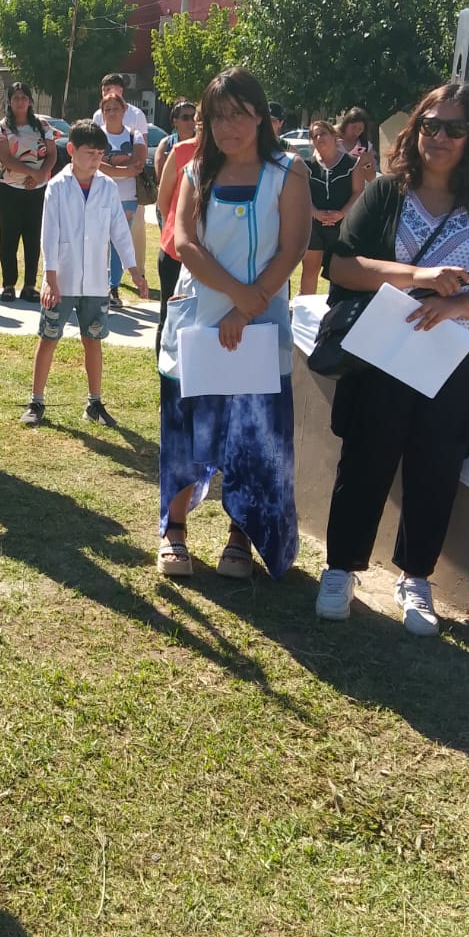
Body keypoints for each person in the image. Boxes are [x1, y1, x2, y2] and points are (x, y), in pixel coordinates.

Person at [315, 81, 469, 635]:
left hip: (454, 365)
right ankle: (340, 569)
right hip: (383, 355)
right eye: (430, 125)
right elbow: (340, 265)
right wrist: (417, 276)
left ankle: (415, 577)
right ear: (415, 131)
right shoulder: (386, 194)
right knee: (364, 460)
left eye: (454, 128)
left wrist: (456, 304)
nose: (439, 136)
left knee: (436, 468)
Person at [158, 68, 311, 580]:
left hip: (260, 327)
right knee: (185, 429)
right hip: (198, 322)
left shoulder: (289, 171)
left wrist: (246, 308)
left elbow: (292, 247)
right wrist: (236, 299)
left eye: (239, 115)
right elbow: (184, 242)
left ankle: (240, 535)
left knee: (254, 434)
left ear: (261, 116)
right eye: (218, 117)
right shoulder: (196, 171)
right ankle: (174, 530)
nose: (229, 127)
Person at [19, 120, 148, 430]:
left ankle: (94, 402)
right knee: (49, 337)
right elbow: (49, 234)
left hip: (95, 282)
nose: (96, 159)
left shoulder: (107, 187)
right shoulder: (57, 187)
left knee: (93, 339)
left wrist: (134, 270)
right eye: (90, 153)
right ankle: (36, 401)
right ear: (72, 150)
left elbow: (119, 230)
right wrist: (50, 278)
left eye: (100, 154)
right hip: (61, 279)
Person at [0, 81, 55, 301]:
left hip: (37, 190)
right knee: (9, 237)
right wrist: (33, 173)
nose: (20, 101)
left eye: (24, 97)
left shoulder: (42, 126)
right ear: (9, 101)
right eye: (15, 98)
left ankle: (30, 285)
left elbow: (52, 154)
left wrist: (41, 175)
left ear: (30, 101)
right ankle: (8, 284)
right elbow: (5, 158)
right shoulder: (1, 128)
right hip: (9, 189)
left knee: (33, 237)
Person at [153, 98, 200, 354]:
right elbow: (164, 199)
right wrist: (174, 228)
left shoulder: (228, 154)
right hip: (174, 249)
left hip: (208, 251)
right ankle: (164, 365)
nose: (194, 123)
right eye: (189, 118)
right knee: (170, 311)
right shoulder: (180, 151)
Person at [300, 118, 366, 295]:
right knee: (310, 270)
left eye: (323, 133)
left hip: (343, 225)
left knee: (340, 272)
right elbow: (301, 194)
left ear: (333, 135)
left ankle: (338, 308)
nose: (319, 138)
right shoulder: (306, 166)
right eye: (315, 136)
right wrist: (315, 213)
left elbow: (358, 192)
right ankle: (305, 309)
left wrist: (342, 214)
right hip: (314, 225)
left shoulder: (352, 163)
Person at [97, 89, 148, 308]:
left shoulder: (134, 135)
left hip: (127, 197)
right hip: (99, 196)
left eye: (115, 108)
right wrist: (123, 169)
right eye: (107, 109)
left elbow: (139, 163)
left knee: (119, 242)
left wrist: (112, 167)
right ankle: (97, 285)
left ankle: (113, 287)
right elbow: (95, 164)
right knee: (98, 242)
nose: (111, 113)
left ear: (124, 110)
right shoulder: (96, 135)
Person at [338, 105, 377, 184]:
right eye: (353, 127)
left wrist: (366, 164)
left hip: (358, 188)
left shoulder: (364, 145)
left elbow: (371, 178)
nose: (356, 132)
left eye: (360, 129)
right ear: (346, 124)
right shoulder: (332, 141)